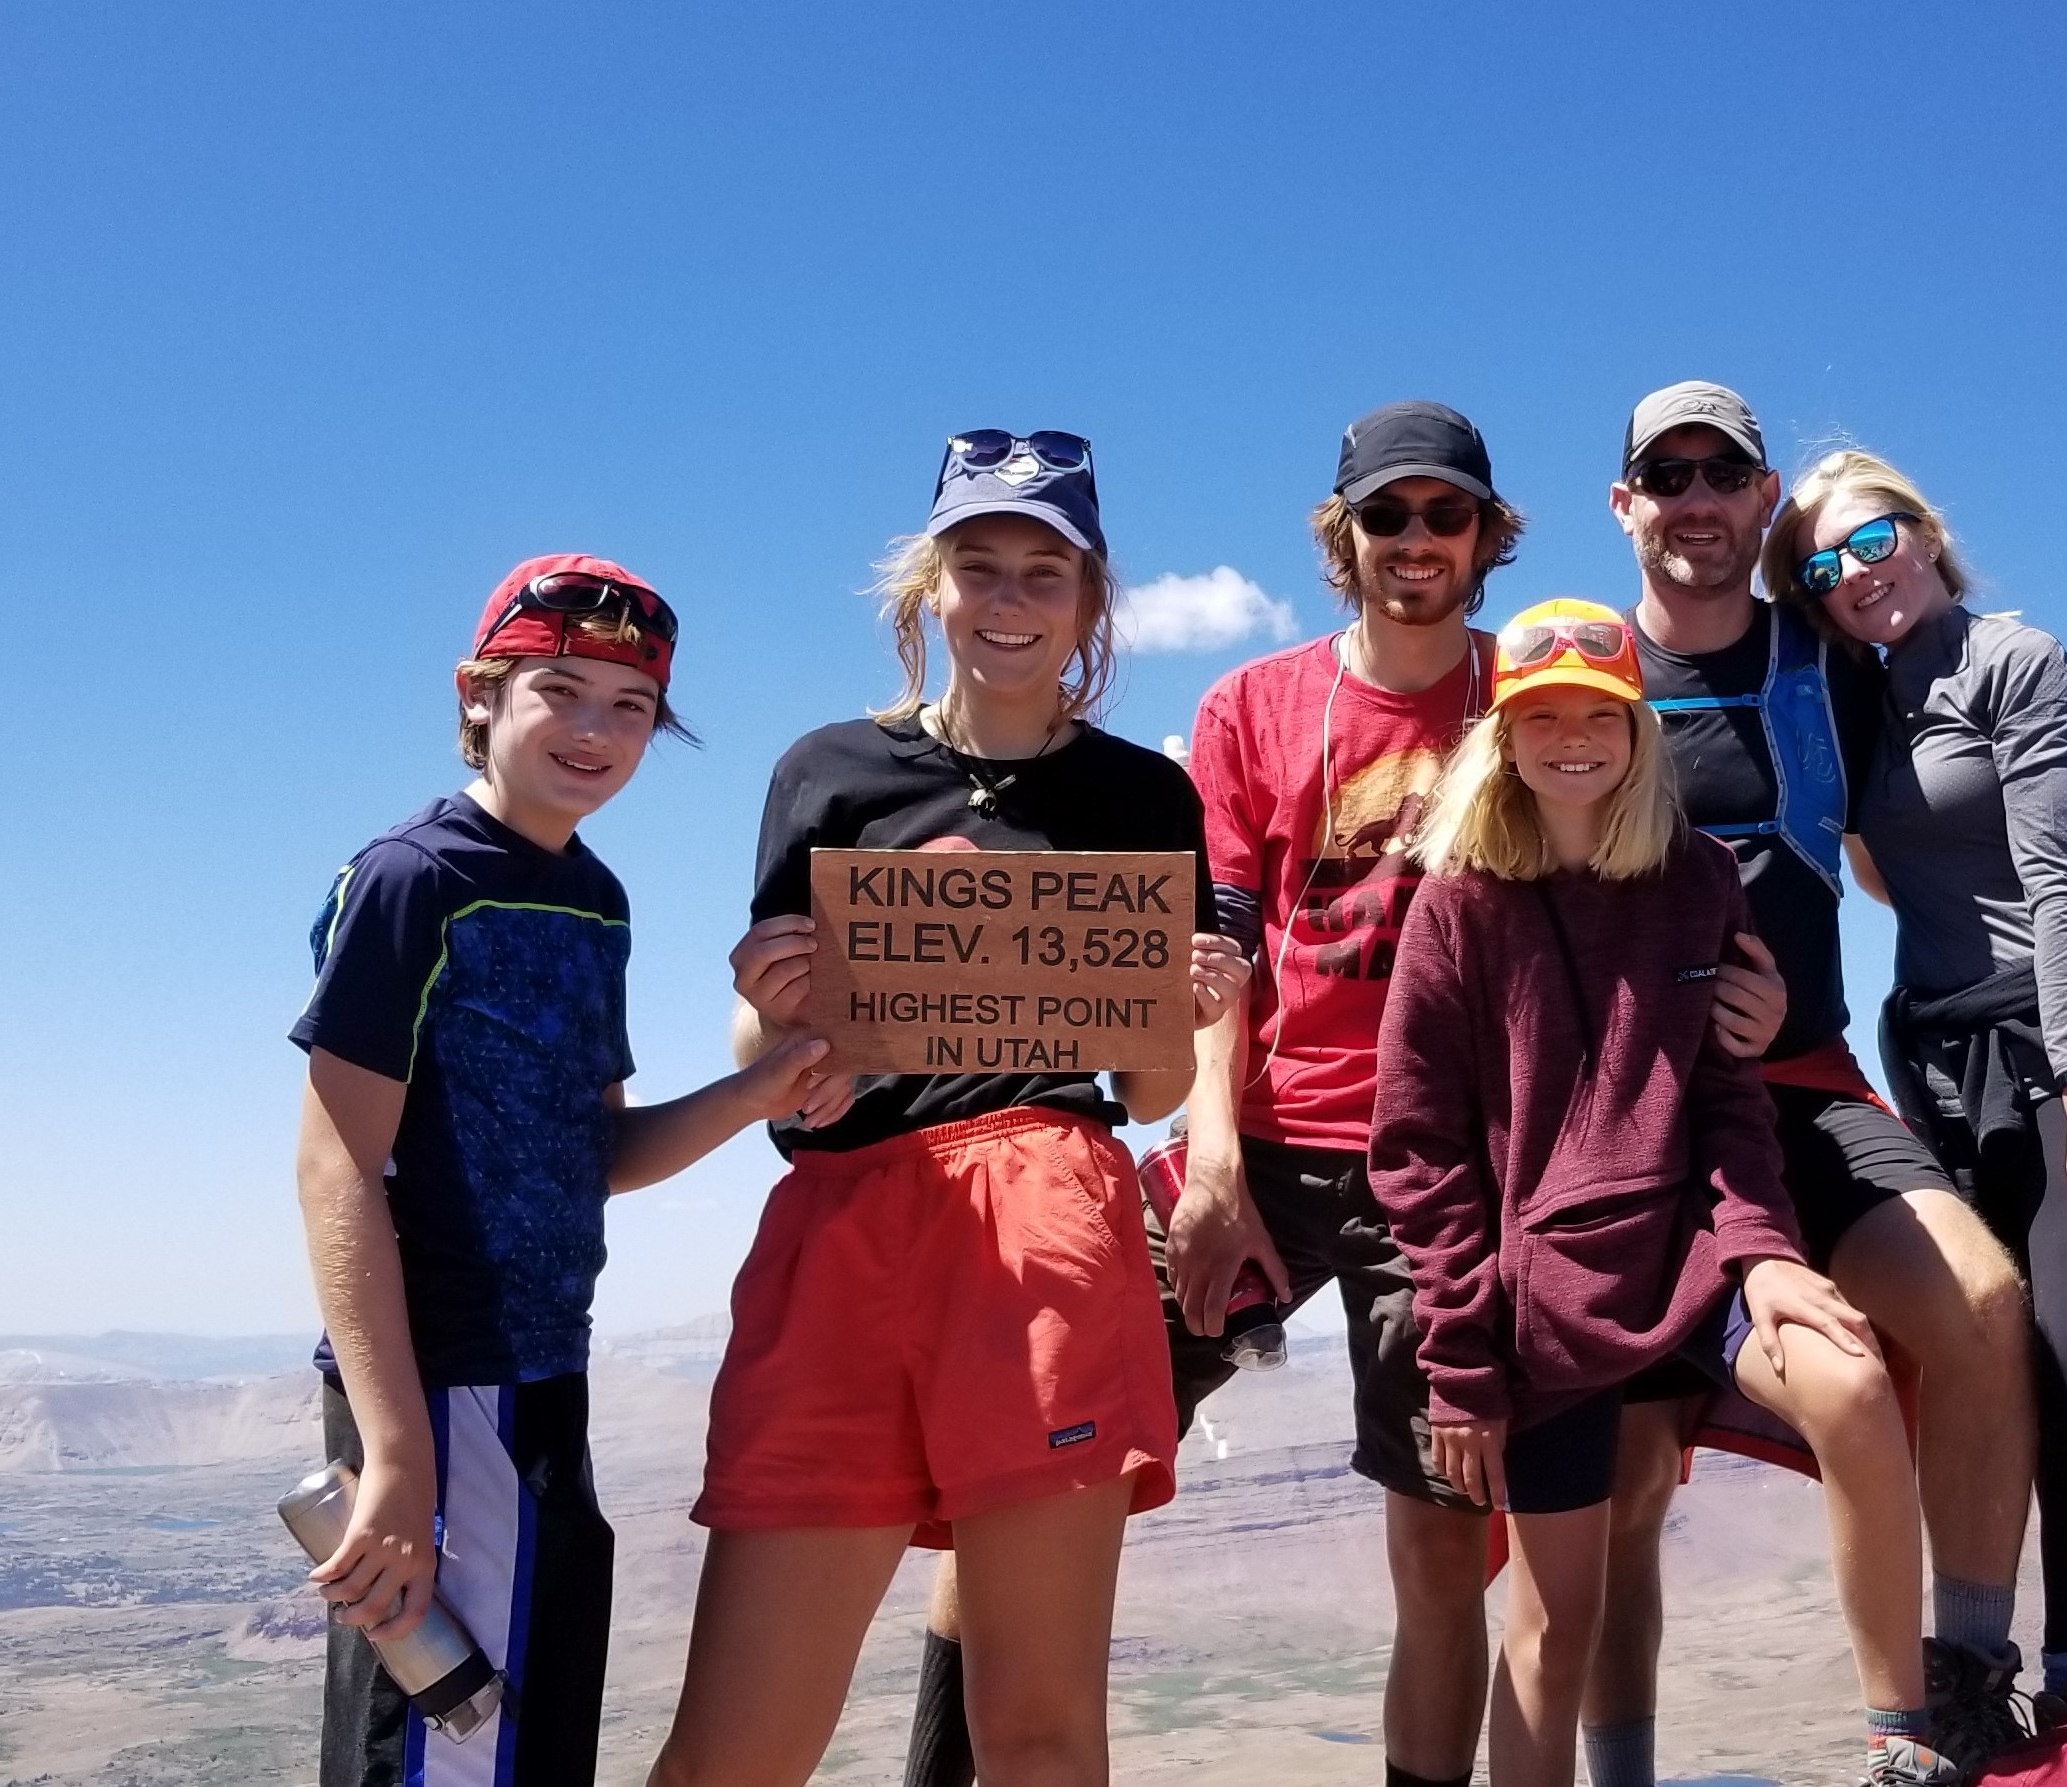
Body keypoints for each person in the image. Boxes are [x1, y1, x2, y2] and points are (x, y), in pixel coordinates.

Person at [894, 402, 1791, 1787]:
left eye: (1444, 514)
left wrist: (1749, 991)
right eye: (1386, 514)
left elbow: (1653, 872)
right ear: (1342, 535)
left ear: (1487, 536)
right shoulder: (1254, 705)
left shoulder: (1538, 690)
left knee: (1441, 1540)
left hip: (1433, 1172)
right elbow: (1220, 951)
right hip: (1250, 1130)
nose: (1414, 540)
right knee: (1035, 1462)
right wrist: (1207, 1167)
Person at [646, 431, 1248, 1787]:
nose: (1010, 599)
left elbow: (1145, 1089)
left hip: (1050, 1217)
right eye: (979, 566)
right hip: (847, 1215)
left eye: (1045, 570)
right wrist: (766, 990)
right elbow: (775, 1056)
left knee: (1037, 1738)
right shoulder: (826, 772)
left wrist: (1188, 1003)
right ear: (929, 588)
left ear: (1089, 602)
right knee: (726, 1749)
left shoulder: (1141, 796)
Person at [1373, 597, 1958, 1787]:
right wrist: (1461, 1363)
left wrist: (1768, 1249)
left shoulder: (1695, 878)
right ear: (1505, 730)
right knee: (1551, 1631)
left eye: (1603, 712)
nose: (1574, 737)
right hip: (1548, 1303)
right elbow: (1419, 1154)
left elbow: (1728, 1097)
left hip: (1695, 1256)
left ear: (1641, 733)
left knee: (1851, 1380)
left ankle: (1903, 1740)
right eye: (1546, 716)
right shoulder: (1456, 901)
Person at [290, 555, 834, 1787]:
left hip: (545, 1374)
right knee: (446, 1749)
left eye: (629, 705)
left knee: (526, 1743)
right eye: (560, 688)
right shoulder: (413, 881)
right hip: (438, 1386)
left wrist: (759, 1091)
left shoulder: (595, 897)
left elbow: (596, 1154)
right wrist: (399, 1455)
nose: (594, 730)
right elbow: (335, 1170)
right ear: (480, 693)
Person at [1590, 382, 2063, 1780]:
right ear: (1625, 505)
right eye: (1661, 475)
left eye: (1718, 472)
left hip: (1799, 1087)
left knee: (1978, 1304)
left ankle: (1962, 1689)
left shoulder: (1826, 671)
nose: (1690, 498)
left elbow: (1918, 818)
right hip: (1623, 1121)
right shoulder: (1568, 675)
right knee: (1621, 1474)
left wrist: (2057, 892)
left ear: (1755, 500)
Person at [1763, 450, 2067, 1785]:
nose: (1855, 575)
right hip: (1940, 1055)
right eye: (1821, 567)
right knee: (2006, 1356)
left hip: (2064, 1040)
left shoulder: (2012, 659)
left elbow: (2042, 865)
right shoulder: (1846, 693)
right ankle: (2007, 1678)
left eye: (1872, 541)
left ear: (1922, 531)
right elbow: (1859, 851)